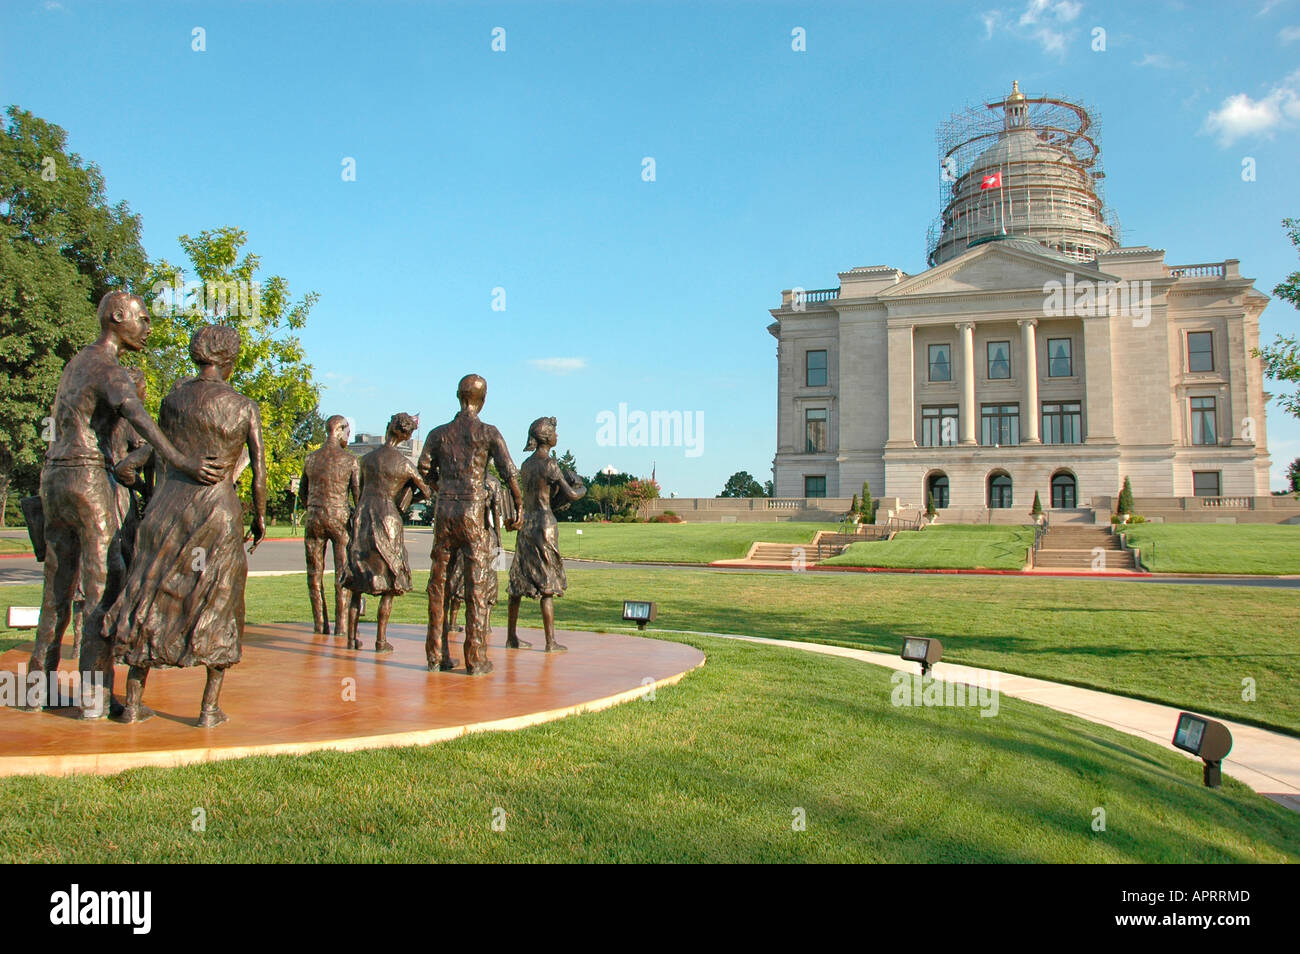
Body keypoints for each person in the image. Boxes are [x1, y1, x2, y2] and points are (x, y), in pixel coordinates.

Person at [25, 292, 221, 719]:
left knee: (57, 590)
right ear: (117, 317)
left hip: (54, 479)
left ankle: (36, 688)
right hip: (86, 478)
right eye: (143, 319)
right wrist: (182, 459)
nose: (148, 328)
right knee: (103, 585)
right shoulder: (108, 366)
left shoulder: (77, 363)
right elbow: (139, 418)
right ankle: (95, 699)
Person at [107, 324, 266, 727]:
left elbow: (160, 453)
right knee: (221, 598)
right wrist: (260, 516)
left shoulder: (171, 401)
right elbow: (259, 471)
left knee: (151, 591)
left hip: (168, 510)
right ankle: (208, 708)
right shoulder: (245, 406)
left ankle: (133, 703)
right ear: (230, 358)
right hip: (217, 512)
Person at [419, 374, 522, 675]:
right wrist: (519, 505)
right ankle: (475, 658)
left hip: (445, 512)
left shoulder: (439, 434)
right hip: (472, 512)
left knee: (438, 583)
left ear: (457, 396)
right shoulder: (488, 432)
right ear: (484, 398)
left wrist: (442, 490)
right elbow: (509, 473)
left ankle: (435, 655)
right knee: (475, 582)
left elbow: (424, 470)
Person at [342, 413, 429, 652]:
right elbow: (428, 491)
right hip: (388, 516)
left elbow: (357, 491)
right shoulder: (404, 464)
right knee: (389, 581)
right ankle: (381, 639)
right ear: (407, 436)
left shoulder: (367, 459)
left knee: (357, 581)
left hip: (364, 514)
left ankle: (351, 638)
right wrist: (409, 498)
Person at [507, 417, 586, 653]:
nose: (557, 436)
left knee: (519, 579)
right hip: (544, 524)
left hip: (527, 525)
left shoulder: (526, 465)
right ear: (546, 436)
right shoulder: (550, 464)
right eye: (554, 432)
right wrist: (583, 487)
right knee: (547, 584)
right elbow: (571, 494)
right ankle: (550, 641)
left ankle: (512, 636)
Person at [438, 472, 512, 662]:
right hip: (484, 535)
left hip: (463, 533)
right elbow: (496, 516)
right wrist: (499, 543)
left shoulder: (461, 479)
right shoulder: (493, 483)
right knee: (486, 580)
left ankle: (452, 622)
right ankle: (484, 624)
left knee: (458, 577)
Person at [299, 415, 360, 635]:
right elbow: (357, 496)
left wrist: (315, 507)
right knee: (342, 574)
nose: (348, 437)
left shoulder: (311, 459)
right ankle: (341, 627)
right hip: (339, 519)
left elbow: (302, 494)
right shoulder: (350, 460)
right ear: (340, 430)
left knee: (314, 573)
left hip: (314, 518)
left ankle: (319, 624)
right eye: (347, 433)